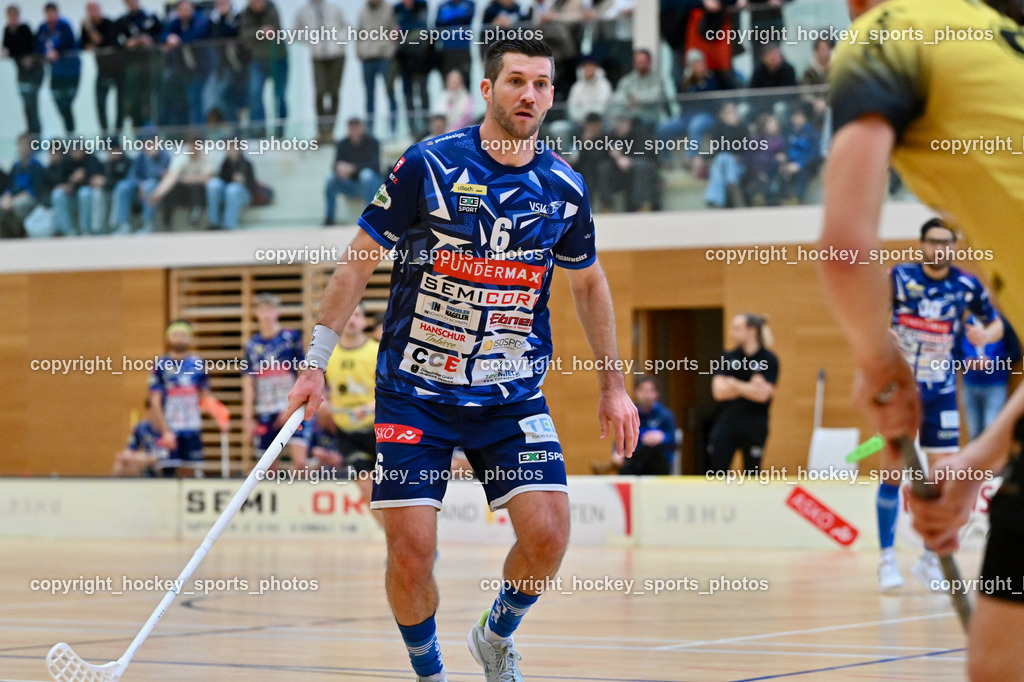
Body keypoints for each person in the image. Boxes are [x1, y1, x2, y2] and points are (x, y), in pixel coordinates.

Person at [286, 37, 638, 682]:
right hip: (415, 392)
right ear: (487, 89)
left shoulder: (563, 186)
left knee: (549, 535)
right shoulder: (429, 165)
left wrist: (614, 386)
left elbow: (587, 284)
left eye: (540, 84)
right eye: (515, 82)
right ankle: (431, 674)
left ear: (552, 95)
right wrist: (315, 362)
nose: (528, 94)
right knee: (413, 550)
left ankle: (495, 634)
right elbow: (359, 259)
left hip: (509, 395)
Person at [816, 1, 1024, 677]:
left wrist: (876, 363)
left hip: (924, 400)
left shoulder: (888, 31)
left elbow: (845, 249)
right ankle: (884, 555)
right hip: (913, 422)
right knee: (998, 658)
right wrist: (977, 464)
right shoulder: (998, 51)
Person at [875, 219, 1004, 591]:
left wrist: (983, 334)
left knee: (943, 477)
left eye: (946, 243)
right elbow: (869, 315)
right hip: (901, 390)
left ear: (954, 246)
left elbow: (995, 324)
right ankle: (886, 559)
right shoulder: (899, 278)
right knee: (892, 471)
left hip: (942, 390)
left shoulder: (965, 285)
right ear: (922, 244)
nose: (940, 249)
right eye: (933, 243)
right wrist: (881, 336)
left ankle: (931, 559)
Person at [317, 304, 382, 525]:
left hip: (380, 431)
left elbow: (390, 391)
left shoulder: (377, 351)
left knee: (393, 489)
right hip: (348, 433)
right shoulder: (328, 355)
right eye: (348, 315)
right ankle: (391, 540)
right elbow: (324, 391)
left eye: (357, 315)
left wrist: (370, 407)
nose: (352, 320)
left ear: (364, 322)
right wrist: (323, 405)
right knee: (365, 485)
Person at [148, 320, 230, 477]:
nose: (179, 338)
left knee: (190, 472)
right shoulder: (160, 365)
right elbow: (155, 401)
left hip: (192, 428)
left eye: (183, 335)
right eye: (175, 334)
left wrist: (219, 417)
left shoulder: (197, 364)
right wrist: (164, 431)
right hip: (170, 428)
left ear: (189, 338)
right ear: (168, 338)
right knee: (168, 474)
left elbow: (206, 397)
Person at [243, 294, 312, 469]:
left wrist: (292, 405)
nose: (266, 314)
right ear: (256, 313)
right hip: (265, 409)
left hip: (291, 406)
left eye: (270, 309)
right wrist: (248, 416)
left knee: (301, 463)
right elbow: (249, 382)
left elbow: (301, 372)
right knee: (268, 467)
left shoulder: (291, 338)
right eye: (262, 310)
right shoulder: (251, 345)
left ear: (277, 312)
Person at [706, 313, 778, 474]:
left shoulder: (769, 359)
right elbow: (718, 392)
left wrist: (733, 383)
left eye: (737, 328)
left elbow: (763, 395)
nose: (732, 333)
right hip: (727, 422)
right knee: (718, 471)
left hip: (755, 424)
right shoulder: (728, 357)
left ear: (752, 331)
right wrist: (750, 387)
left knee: (752, 472)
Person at [593, 376, 677, 475]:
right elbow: (620, 437)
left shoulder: (665, 415)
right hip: (633, 464)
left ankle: (609, 466)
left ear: (657, 394)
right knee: (629, 460)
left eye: (650, 391)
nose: (646, 395)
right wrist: (617, 453)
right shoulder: (630, 414)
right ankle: (618, 463)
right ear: (636, 393)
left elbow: (674, 441)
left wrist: (663, 437)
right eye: (643, 391)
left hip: (658, 464)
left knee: (649, 448)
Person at [959, 313, 1020, 441]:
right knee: (974, 433)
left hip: (995, 386)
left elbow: (1016, 354)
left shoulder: (1002, 324)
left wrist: (993, 362)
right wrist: (966, 362)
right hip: (970, 385)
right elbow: (954, 353)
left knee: (991, 432)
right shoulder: (965, 325)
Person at [240, 0, 287, 138]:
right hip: (257, 60)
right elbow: (245, 35)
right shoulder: (246, 14)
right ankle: (258, 130)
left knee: (280, 95)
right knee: (255, 93)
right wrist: (260, 32)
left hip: (278, 59)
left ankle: (281, 129)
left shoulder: (272, 10)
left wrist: (259, 33)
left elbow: (273, 30)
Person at [323, 117, 382, 225]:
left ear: (362, 127)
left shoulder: (373, 142)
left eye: (356, 127)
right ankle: (329, 218)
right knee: (330, 179)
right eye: (351, 127)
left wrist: (352, 168)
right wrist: (340, 171)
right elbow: (335, 166)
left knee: (366, 175)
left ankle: (371, 218)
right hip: (351, 185)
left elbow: (375, 166)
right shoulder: (342, 144)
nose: (354, 130)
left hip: (372, 185)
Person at [111, 131, 171, 234]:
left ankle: (148, 224)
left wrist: (152, 158)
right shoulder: (141, 156)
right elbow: (132, 175)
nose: (149, 146)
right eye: (146, 143)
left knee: (150, 185)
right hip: (140, 190)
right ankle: (123, 225)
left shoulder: (164, 156)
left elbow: (159, 176)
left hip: (158, 193)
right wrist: (140, 184)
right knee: (122, 186)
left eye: (152, 142)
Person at [115, 0, 162, 129]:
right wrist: (128, 44)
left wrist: (150, 41)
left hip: (151, 65)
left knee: (151, 98)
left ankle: (154, 132)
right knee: (133, 100)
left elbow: (162, 36)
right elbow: (114, 42)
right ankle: (137, 130)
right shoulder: (122, 22)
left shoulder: (151, 18)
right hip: (132, 67)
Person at [80, 1, 122, 136]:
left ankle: (117, 134)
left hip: (117, 69)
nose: (92, 13)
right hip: (102, 70)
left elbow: (100, 41)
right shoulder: (85, 28)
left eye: (95, 9)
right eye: (90, 10)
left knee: (120, 103)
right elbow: (84, 46)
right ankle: (105, 136)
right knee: (99, 102)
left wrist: (90, 28)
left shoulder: (108, 24)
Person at [357, 0, 398, 137]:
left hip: (384, 57)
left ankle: (393, 129)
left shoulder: (389, 9)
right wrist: (360, 52)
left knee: (390, 92)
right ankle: (370, 130)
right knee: (369, 96)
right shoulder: (362, 10)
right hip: (367, 58)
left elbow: (395, 31)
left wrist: (389, 52)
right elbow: (359, 32)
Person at [36, 2, 80, 133]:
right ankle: (69, 131)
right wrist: (46, 53)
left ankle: (71, 132)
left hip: (71, 72)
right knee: (59, 102)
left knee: (67, 104)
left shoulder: (64, 26)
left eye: (52, 12)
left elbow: (69, 42)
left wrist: (57, 51)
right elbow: (37, 45)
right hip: (56, 73)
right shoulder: (43, 28)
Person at [3, 4, 44, 134]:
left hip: (34, 71)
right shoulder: (7, 30)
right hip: (21, 71)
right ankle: (30, 130)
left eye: (14, 15)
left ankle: (36, 131)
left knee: (32, 102)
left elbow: (28, 47)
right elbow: (7, 49)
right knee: (26, 103)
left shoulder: (24, 28)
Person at [394, 0, 431, 140]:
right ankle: (413, 129)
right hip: (404, 60)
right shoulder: (397, 9)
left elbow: (422, 26)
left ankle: (426, 127)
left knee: (422, 92)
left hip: (421, 58)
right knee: (408, 95)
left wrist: (403, 28)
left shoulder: (422, 5)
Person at [50, 142, 102, 236]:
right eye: (74, 150)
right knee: (57, 195)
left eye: (78, 149)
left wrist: (83, 180)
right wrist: (72, 181)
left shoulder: (91, 160)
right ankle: (68, 231)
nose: (76, 152)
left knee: (84, 193)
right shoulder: (67, 162)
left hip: (88, 198)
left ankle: (86, 230)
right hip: (71, 198)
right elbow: (59, 183)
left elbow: (96, 180)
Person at [0, 132, 45, 238]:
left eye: (25, 144)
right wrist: (7, 195)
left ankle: (23, 233)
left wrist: (16, 198)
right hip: (15, 197)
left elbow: (37, 188)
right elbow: (11, 185)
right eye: (20, 145)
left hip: (31, 198)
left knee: (18, 205)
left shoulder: (36, 165)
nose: (22, 148)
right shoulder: (16, 166)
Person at [206, 143, 255, 230]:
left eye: (233, 148)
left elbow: (252, 185)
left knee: (233, 189)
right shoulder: (225, 163)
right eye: (228, 149)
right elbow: (221, 178)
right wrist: (232, 176)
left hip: (242, 195)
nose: (230, 151)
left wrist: (242, 181)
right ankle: (214, 222)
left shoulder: (246, 164)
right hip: (226, 194)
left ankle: (229, 225)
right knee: (213, 184)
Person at [111, 398, 164, 476]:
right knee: (121, 465)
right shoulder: (141, 428)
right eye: (152, 409)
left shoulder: (170, 430)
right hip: (146, 461)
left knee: (140, 461)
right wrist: (124, 456)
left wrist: (146, 458)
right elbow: (130, 449)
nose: (156, 414)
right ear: (148, 410)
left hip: (163, 463)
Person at [433, 0, 474, 88]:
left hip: (463, 49)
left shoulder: (469, 4)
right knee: (447, 83)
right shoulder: (442, 6)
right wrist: (458, 16)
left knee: (465, 83)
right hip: (446, 50)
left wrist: (449, 17)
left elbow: (467, 18)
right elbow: (438, 23)